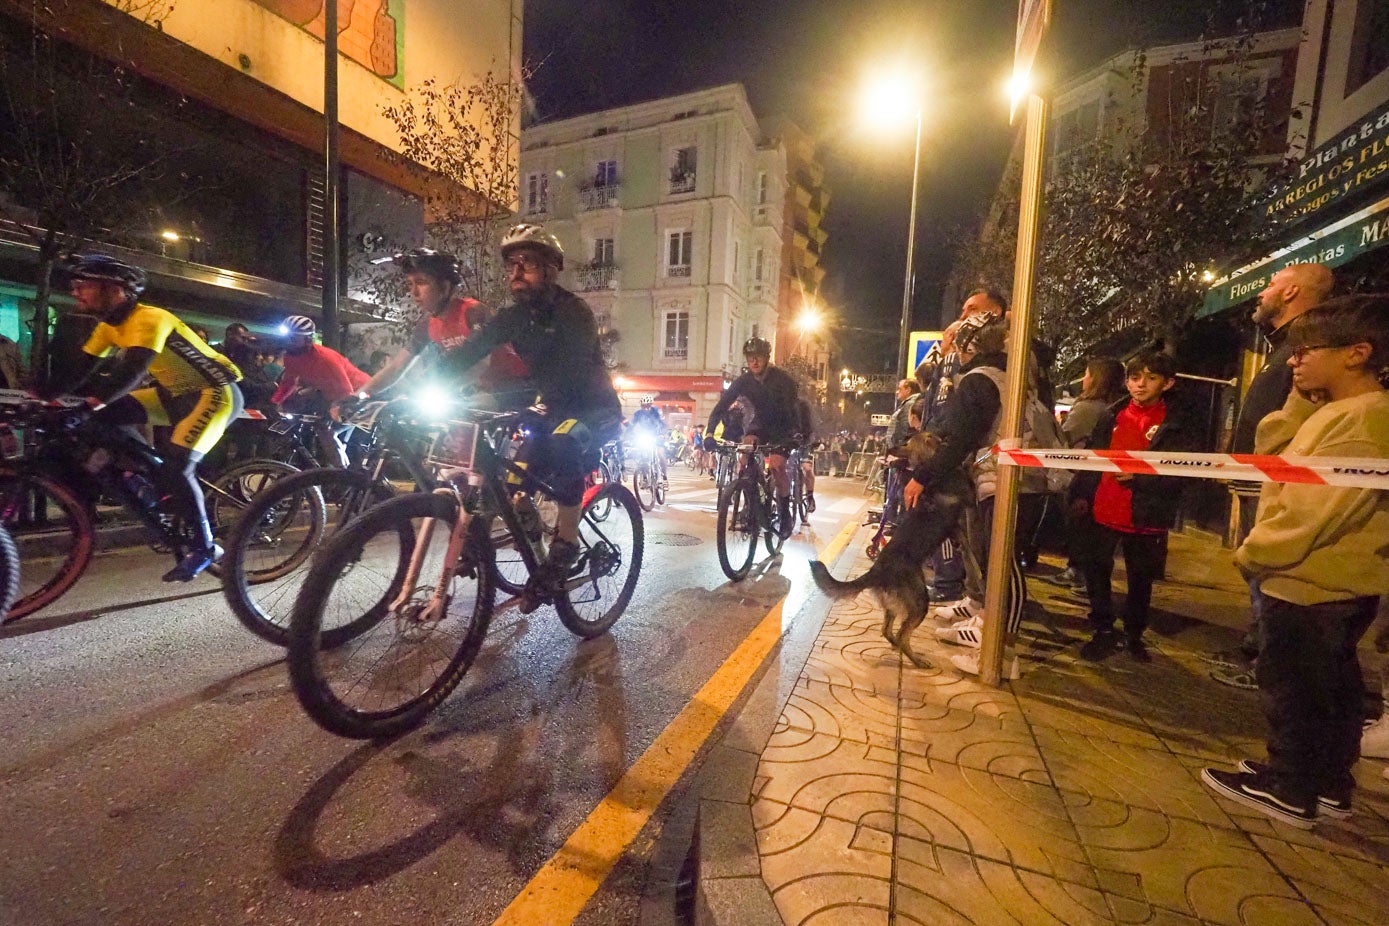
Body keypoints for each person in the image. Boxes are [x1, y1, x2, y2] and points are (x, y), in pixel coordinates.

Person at [1201, 294, 1389, 828]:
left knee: (1295, 688)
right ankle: (1325, 783)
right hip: (1324, 578)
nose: (1294, 359)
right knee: (1330, 686)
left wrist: (1256, 552)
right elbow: (1276, 449)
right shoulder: (1338, 410)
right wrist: (1303, 402)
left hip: (1310, 577)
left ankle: (1290, 786)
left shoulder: (1362, 419)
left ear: (1356, 353)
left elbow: (1314, 509)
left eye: (1308, 349)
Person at [439, 223, 622, 596]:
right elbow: (465, 355)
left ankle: (567, 544)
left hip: (593, 410)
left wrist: (529, 406)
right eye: (511, 265)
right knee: (513, 478)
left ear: (550, 270)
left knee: (565, 439)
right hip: (551, 410)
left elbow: (570, 372)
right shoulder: (512, 317)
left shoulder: (574, 312)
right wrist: (413, 387)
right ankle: (530, 532)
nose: (517, 272)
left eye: (528, 263)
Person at [43, 255, 243, 581]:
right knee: (100, 421)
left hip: (214, 393)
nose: (76, 292)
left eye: (84, 286)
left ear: (116, 289)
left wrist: (88, 404)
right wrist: (39, 397)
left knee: (179, 466)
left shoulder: (151, 318)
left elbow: (131, 370)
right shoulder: (110, 327)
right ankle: (147, 475)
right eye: (74, 286)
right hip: (171, 395)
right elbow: (78, 369)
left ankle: (206, 546)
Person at [1206, 262, 1335, 690]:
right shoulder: (1283, 347)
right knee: (1258, 575)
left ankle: (1268, 661)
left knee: (1269, 573)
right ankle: (1258, 648)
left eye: (1271, 284)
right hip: (1258, 479)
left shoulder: (1307, 346)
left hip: (1277, 484)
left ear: (1292, 291)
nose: (1261, 293)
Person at [1068, 351, 1202, 663]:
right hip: (1104, 507)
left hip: (1146, 514)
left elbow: (1184, 472)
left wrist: (1143, 480)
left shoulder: (1178, 423)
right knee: (1096, 571)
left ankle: (1133, 635)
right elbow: (1092, 458)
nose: (1140, 385)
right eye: (1134, 377)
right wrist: (1081, 495)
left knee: (1140, 580)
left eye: (1150, 378)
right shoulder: (1112, 415)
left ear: (1167, 383)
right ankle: (1102, 629)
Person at [347, 247, 531, 411]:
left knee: (471, 410)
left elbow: (480, 363)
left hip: (515, 387)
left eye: (421, 282)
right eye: (410, 284)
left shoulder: (472, 311)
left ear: (444, 286)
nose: (413, 292)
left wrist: (443, 390)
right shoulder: (427, 324)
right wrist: (358, 397)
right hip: (478, 391)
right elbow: (396, 367)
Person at [705, 336, 802, 537]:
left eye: (758, 357)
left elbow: (795, 409)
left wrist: (795, 434)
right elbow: (720, 407)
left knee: (776, 465)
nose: (754, 362)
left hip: (784, 426)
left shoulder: (782, 380)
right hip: (761, 424)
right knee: (744, 453)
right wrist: (709, 433)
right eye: (750, 358)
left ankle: (785, 514)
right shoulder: (743, 381)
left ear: (766, 358)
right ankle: (749, 499)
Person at [1049, 357, 1126, 594]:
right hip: (1103, 478)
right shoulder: (1117, 406)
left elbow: (1066, 437)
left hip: (1082, 473)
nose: (1083, 378)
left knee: (1081, 526)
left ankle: (1081, 575)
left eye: (1086, 373)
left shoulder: (1087, 408)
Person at [270, 315, 370, 467]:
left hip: (359, 395)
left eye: (293, 338)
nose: (288, 341)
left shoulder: (324, 359)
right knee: (317, 426)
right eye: (287, 336)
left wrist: (332, 412)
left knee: (326, 430)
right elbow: (289, 382)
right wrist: (275, 402)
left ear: (308, 340)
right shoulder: (290, 356)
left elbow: (345, 394)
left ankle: (344, 475)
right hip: (333, 396)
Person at [796, 397, 817, 513]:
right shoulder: (781, 403)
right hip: (787, 441)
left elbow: (810, 426)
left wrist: (806, 440)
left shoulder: (803, 405)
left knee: (807, 468)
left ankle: (810, 497)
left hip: (804, 441)